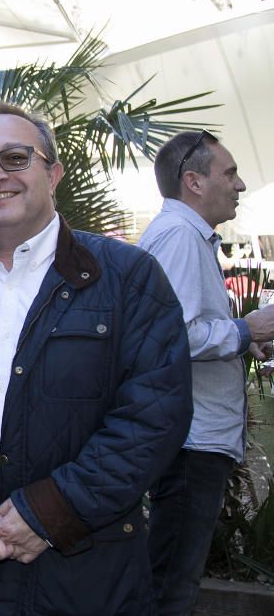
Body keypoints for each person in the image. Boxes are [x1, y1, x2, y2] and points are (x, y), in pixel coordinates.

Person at [0, 102, 193, 615]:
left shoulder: (128, 277)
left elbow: (154, 416)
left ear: (53, 171)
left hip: (85, 572)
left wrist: (49, 512)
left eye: (15, 158)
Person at [138, 130, 274, 615]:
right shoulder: (180, 236)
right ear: (193, 181)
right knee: (173, 582)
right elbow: (173, 336)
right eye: (231, 173)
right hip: (191, 440)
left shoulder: (185, 235)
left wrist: (243, 336)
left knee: (173, 575)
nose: (239, 185)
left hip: (193, 437)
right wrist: (244, 329)